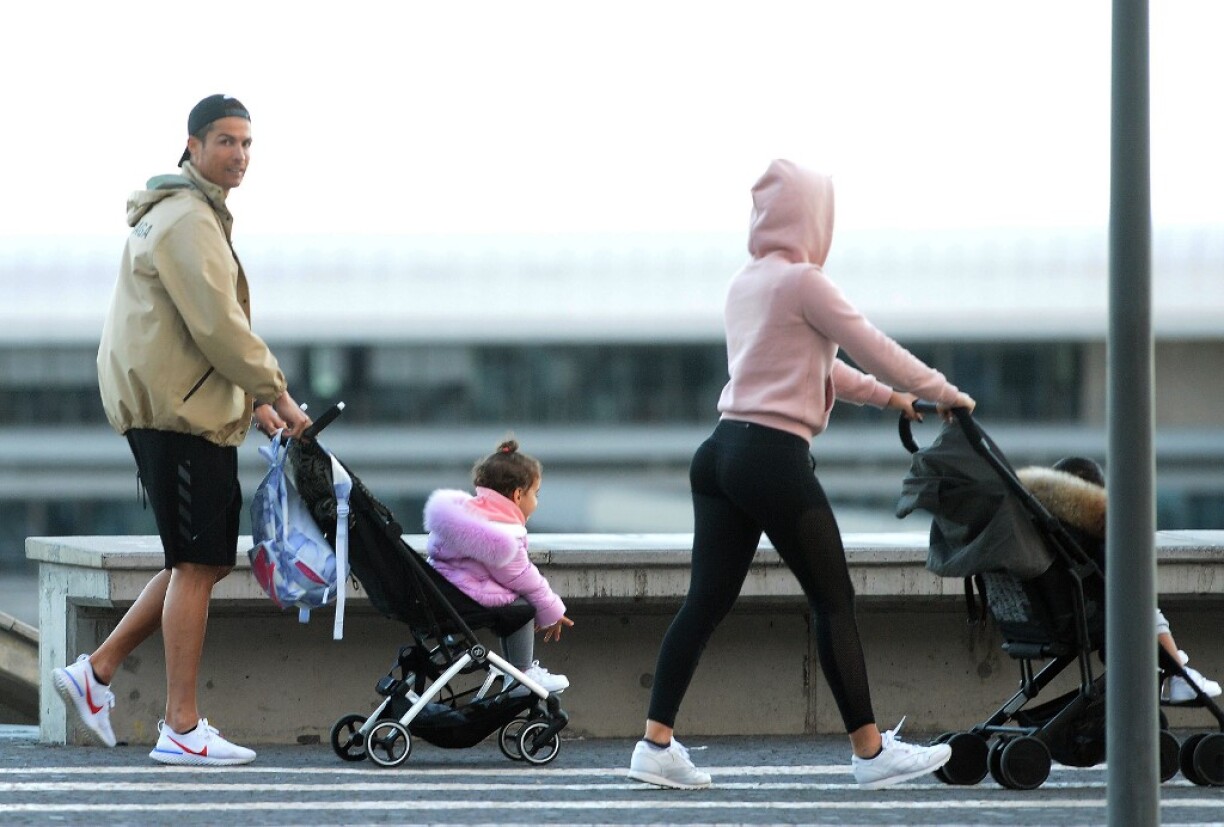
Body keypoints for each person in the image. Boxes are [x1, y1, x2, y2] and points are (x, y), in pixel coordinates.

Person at [626, 159, 976, 791]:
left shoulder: (747, 283)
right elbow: (868, 343)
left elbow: (819, 366)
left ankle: (655, 745)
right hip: (771, 458)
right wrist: (943, 391)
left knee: (703, 603)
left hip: (721, 452)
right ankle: (871, 755)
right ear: (816, 217)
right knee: (833, 599)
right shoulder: (806, 282)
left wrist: (893, 400)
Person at [51, 94, 311, 766]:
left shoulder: (185, 216)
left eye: (249, 144)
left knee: (195, 558)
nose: (240, 155)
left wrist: (254, 404)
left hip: (180, 407)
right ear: (192, 146)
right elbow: (219, 326)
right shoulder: (187, 221)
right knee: (198, 562)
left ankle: (96, 671)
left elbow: (192, 327)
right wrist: (275, 392)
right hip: (178, 415)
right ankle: (182, 725)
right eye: (226, 141)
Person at [1019, 456, 1221, 703]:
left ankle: (1173, 669)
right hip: (1080, 620)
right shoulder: (1087, 533)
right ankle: (1178, 673)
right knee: (1143, 607)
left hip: (1033, 620)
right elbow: (1121, 583)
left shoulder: (1037, 529)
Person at [423, 439, 574, 694]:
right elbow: (523, 577)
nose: (536, 503)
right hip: (463, 599)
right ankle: (522, 675)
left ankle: (513, 674)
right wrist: (551, 610)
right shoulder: (500, 535)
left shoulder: (466, 516)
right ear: (518, 494)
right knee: (522, 607)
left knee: (512, 608)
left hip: (445, 592)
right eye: (535, 495)